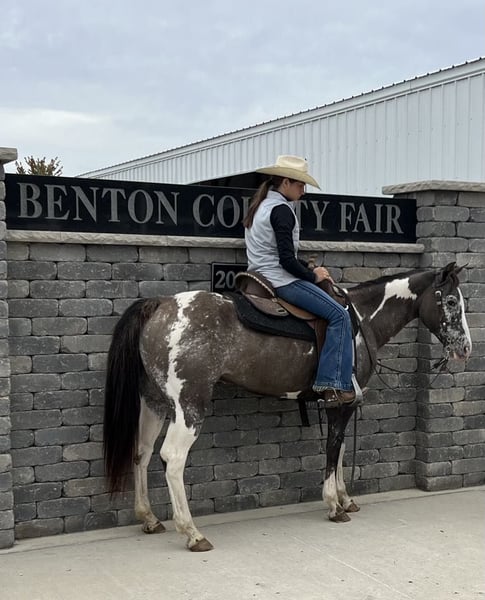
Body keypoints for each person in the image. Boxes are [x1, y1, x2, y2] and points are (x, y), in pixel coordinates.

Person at [243, 155, 355, 406]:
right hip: (281, 280)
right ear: (286, 182)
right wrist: (313, 275)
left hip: (259, 277)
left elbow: (276, 253)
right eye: (300, 185)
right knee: (340, 315)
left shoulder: (260, 206)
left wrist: (307, 267)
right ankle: (333, 386)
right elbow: (285, 260)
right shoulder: (282, 211)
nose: (303, 191)